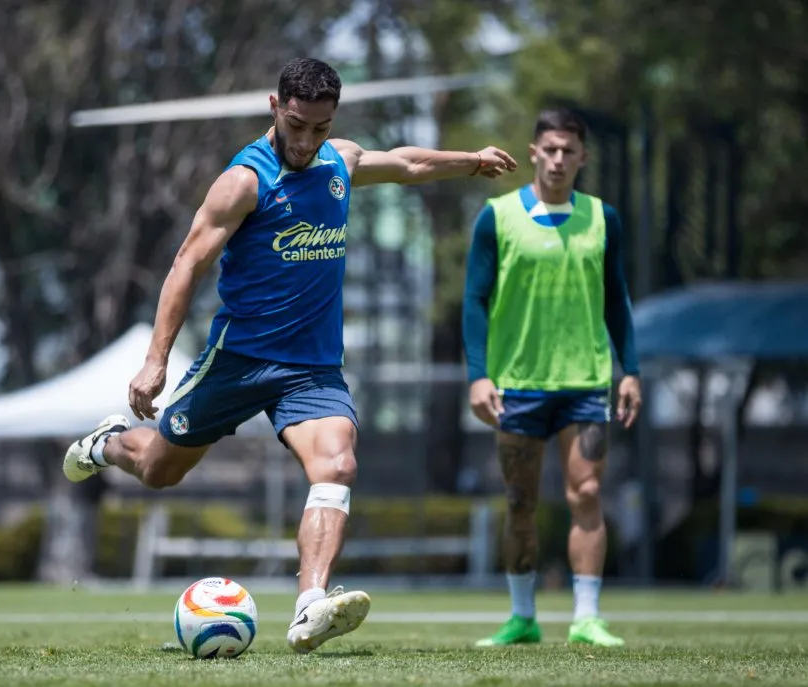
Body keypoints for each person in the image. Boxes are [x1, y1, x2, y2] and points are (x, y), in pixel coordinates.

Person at [64, 57, 518, 654]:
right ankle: (105, 443)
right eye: (298, 125)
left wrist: (472, 162)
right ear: (275, 106)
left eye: (320, 129)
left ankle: (310, 606)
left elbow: (406, 163)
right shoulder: (243, 181)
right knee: (157, 470)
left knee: (338, 466)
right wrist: (155, 360)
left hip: (312, 368)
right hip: (238, 360)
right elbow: (187, 264)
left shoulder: (339, 161)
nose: (306, 141)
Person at [463, 108, 642, 648]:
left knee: (586, 491)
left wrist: (629, 370)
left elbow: (618, 299)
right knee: (520, 502)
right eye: (551, 149)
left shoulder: (603, 218)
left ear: (583, 157)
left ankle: (587, 617)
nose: (559, 159)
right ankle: (523, 617)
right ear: (534, 152)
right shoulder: (496, 217)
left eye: (569, 150)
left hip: (586, 382)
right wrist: (478, 376)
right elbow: (474, 299)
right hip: (517, 384)